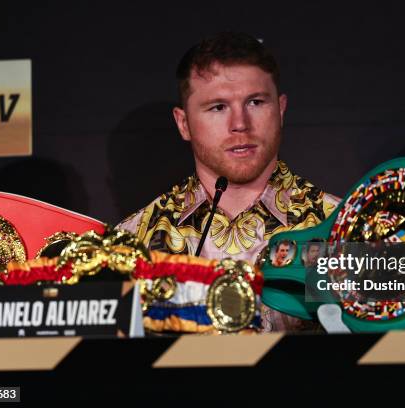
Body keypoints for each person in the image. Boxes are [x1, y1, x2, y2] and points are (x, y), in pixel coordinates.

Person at [116, 32, 340, 331]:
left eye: (256, 102)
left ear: (281, 109)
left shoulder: (344, 228)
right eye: (218, 107)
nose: (239, 124)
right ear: (183, 124)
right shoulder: (133, 244)